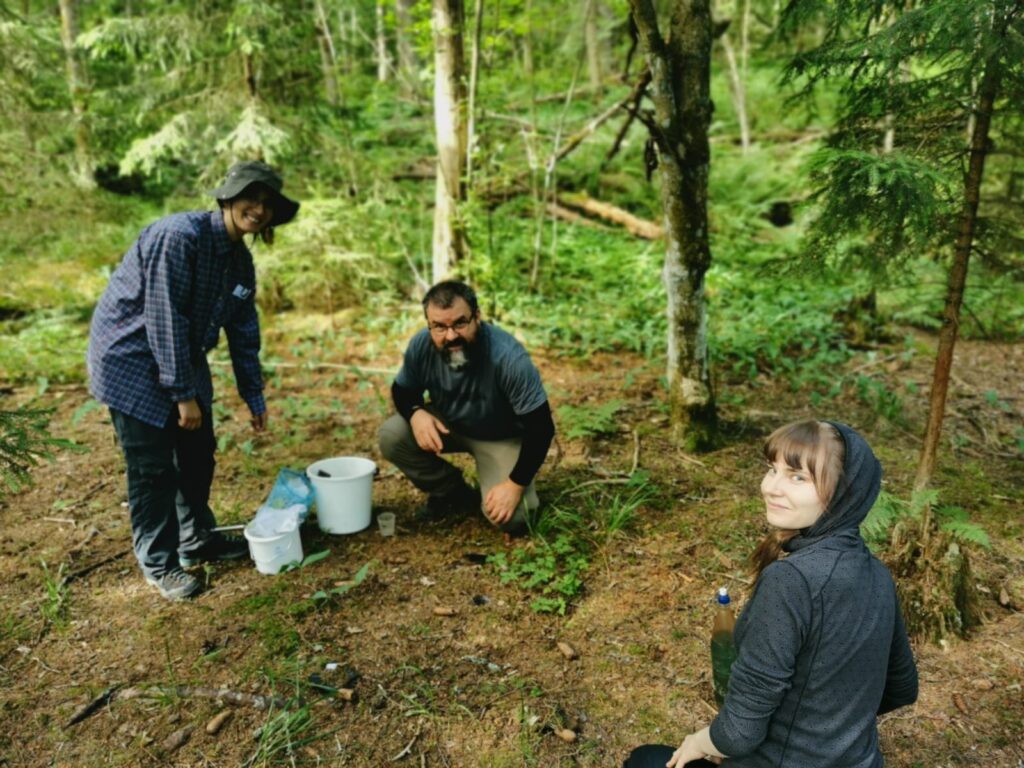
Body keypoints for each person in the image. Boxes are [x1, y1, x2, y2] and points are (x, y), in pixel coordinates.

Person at [624, 420, 918, 768]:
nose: (771, 487)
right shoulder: (878, 575)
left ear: (845, 493)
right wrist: (830, 724)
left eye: (798, 477)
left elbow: (739, 733)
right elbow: (901, 687)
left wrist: (701, 741)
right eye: (772, 469)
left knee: (643, 761)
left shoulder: (791, 581)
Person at [87, 160, 300, 600]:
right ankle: (159, 564)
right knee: (153, 469)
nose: (257, 210)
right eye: (250, 199)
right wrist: (183, 395)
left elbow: (243, 332)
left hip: (180, 356)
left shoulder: (240, 263)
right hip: (131, 358)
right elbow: (163, 318)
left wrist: (253, 395)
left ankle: (196, 538)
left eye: (266, 205)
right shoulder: (178, 236)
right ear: (227, 197)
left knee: (199, 452)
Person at [378, 281, 555, 537]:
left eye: (460, 323)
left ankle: (504, 487)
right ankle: (452, 493)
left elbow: (541, 428)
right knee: (392, 435)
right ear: (429, 323)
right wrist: (416, 412)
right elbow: (402, 390)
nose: (450, 336)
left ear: (477, 317)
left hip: (500, 436)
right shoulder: (421, 345)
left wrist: (514, 485)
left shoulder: (508, 358)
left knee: (514, 519)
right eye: (439, 326)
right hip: (449, 424)